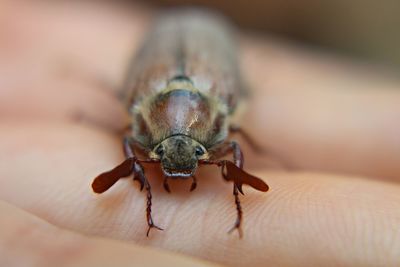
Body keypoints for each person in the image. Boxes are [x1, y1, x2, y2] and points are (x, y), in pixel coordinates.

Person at [1, 1, 399, 266]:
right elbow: (130, 140)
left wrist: (237, 187)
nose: (176, 166)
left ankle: (240, 195)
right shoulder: (142, 118)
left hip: (203, 43)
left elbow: (235, 143)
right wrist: (142, 176)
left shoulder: (220, 113)